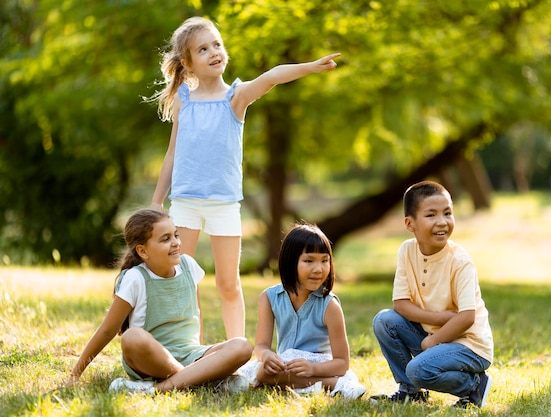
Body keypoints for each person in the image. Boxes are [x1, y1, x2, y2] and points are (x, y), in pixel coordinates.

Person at [148, 16, 341, 339]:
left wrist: (309, 67)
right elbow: (172, 153)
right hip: (185, 202)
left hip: (223, 204)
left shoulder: (235, 97)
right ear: (188, 62)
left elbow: (272, 77)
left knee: (227, 282)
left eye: (217, 45)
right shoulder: (183, 100)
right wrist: (157, 201)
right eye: (203, 49)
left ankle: (237, 348)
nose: (214, 52)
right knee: (185, 278)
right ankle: (190, 346)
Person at [66, 209, 253, 394]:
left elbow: (196, 314)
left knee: (242, 346)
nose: (176, 243)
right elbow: (107, 330)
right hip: (150, 360)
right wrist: (75, 374)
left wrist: (204, 358)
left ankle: (158, 388)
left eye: (176, 235)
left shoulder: (189, 266)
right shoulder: (136, 278)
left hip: (191, 354)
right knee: (133, 337)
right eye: (166, 239)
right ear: (143, 251)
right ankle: (199, 380)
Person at [372, 181, 494, 408]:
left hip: (469, 345)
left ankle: (475, 385)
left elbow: (467, 317)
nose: (442, 222)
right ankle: (410, 391)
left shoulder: (460, 261)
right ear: (410, 223)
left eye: (448, 213)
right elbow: (400, 304)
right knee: (384, 321)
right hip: (434, 337)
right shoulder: (407, 251)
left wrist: (434, 341)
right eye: (431, 215)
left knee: (417, 370)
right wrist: (440, 321)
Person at [237, 223, 366, 399]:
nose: (318, 269)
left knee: (264, 378)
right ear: (290, 262)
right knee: (261, 373)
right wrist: (267, 356)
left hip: (319, 366)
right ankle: (328, 385)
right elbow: (260, 346)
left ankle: (336, 383)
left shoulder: (330, 306)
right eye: (309, 261)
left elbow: (342, 363)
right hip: (286, 364)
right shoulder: (269, 297)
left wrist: (312, 369)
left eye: (324, 260)